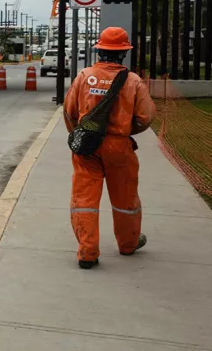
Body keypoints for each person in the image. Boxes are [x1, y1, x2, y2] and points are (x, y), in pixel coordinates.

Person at [63, 27, 156, 269]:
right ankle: (128, 244)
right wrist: (124, 132)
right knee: (125, 199)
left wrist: (80, 135)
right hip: (119, 147)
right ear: (123, 54)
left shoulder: (84, 76)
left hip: (88, 147)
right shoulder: (133, 81)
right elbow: (145, 118)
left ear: (100, 51)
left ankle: (87, 252)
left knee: (84, 199)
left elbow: (70, 112)